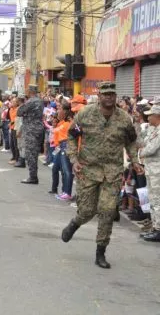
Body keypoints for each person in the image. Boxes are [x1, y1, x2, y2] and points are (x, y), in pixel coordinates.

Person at [61, 82, 142, 269]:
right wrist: (74, 159)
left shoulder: (124, 119)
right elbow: (71, 135)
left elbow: (131, 142)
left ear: (115, 96)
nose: (108, 97)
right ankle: (75, 223)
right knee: (87, 211)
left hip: (112, 172)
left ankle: (100, 252)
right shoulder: (85, 114)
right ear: (99, 96)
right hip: (88, 170)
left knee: (107, 211)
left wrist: (135, 161)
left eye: (112, 94)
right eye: (105, 94)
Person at [140, 104, 160, 242]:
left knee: (157, 200)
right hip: (151, 169)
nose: (148, 116)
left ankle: (158, 229)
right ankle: (154, 226)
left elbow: (150, 149)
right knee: (152, 199)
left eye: (151, 115)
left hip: (157, 171)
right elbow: (143, 142)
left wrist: (141, 152)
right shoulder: (153, 130)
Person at [17, 85, 44, 184]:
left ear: (30, 91)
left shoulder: (30, 101)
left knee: (30, 154)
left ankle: (33, 177)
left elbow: (19, 112)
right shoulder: (40, 101)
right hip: (39, 128)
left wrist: (24, 110)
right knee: (35, 153)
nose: (26, 91)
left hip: (31, 130)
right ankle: (33, 176)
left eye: (27, 89)